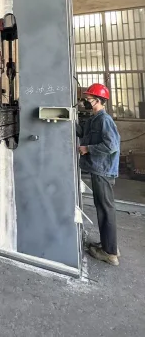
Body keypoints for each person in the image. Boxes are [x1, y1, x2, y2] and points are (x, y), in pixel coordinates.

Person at [78, 83, 121, 266]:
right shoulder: (93, 119)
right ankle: (108, 244)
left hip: (103, 171)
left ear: (98, 100)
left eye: (88, 99)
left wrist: (87, 148)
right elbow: (84, 134)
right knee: (102, 208)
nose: (85, 102)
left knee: (105, 209)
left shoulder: (104, 120)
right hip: (98, 169)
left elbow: (111, 146)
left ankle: (110, 253)